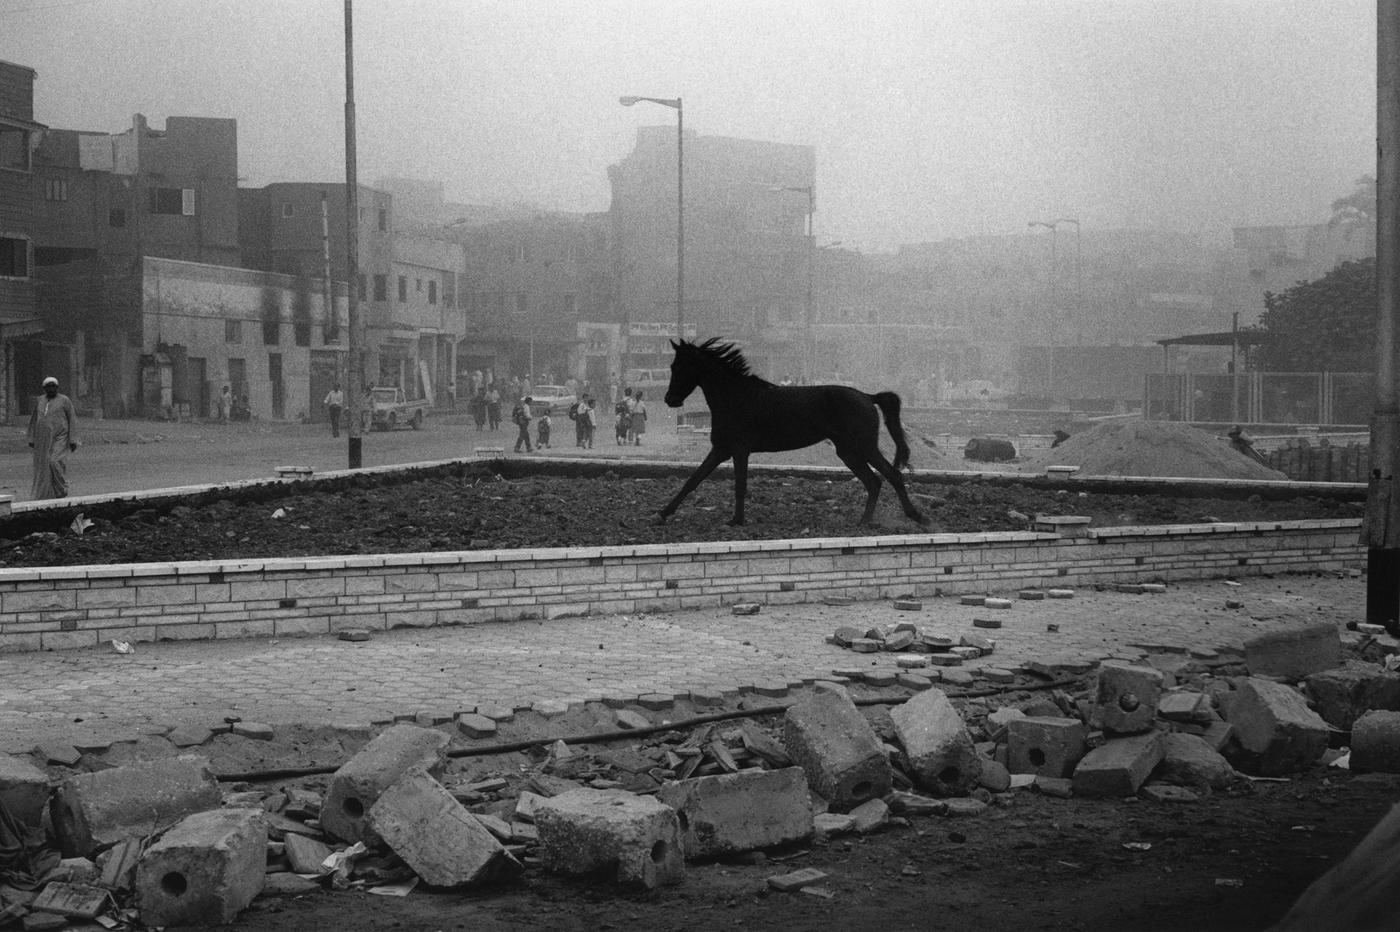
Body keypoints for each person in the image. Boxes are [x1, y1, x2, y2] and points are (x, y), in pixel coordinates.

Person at [27, 376, 78, 500]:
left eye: (53, 386)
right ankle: (48, 494)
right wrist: (31, 438)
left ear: (57, 387)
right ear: (44, 388)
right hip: (43, 439)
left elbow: (72, 418)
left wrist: (73, 439)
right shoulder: (40, 401)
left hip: (60, 437)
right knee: (43, 466)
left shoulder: (64, 400)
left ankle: (61, 489)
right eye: (48, 386)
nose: (51, 389)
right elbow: (34, 420)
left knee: (54, 461)